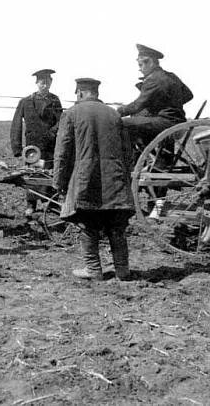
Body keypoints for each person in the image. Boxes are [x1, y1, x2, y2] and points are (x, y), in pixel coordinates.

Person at [53, 77, 135, 280]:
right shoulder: (115, 115)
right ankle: (123, 270)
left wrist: (59, 182)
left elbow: (62, 152)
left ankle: (93, 269)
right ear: (96, 93)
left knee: (88, 226)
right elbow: (128, 153)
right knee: (116, 227)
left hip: (86, 179)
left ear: (79, 93)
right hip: (115, 179)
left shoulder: (71, 114)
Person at [117, 44, 194, 150]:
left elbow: (137, 105)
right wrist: (166, 103)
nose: (140, 69)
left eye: (140, 65)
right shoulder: (171, 76)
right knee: (140, 119)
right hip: (178, 122)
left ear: (150, 62)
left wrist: (117, 112)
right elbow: (189, 95)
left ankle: (131, 162)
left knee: (122, 124)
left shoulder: (153, 79)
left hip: (166, 123)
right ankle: (162, 161)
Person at [10, 69, 64, 216]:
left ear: (51, 83)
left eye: (47, 82)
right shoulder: (26, 101)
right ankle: (31, 205)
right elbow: (16, 124)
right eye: (42, 82)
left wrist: (52, 133)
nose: (44, 85)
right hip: (33, 148)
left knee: (50, 174)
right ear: (37, 83)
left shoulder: (55, 100)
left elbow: (61, 121)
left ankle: (52, 204)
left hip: (50, 146)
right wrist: (16, 147)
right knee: (32, 174)